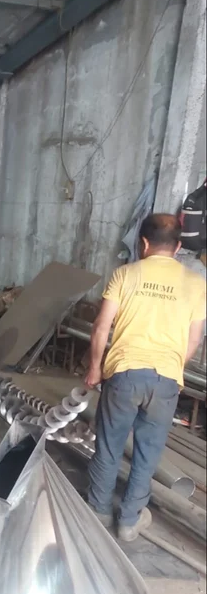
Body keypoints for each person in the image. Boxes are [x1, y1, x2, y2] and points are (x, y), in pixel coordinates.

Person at [85, 213, 206, 541]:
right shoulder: (197, 284)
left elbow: (101, 327)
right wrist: (171, 368)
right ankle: (129, 521)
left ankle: (98, 509)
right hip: (166, 379)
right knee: (148, 452)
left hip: (124, 373)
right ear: (178, 247)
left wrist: (95, 368)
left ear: (143, 243)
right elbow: (194, 340)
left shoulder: (125, 274)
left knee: (109, 445)